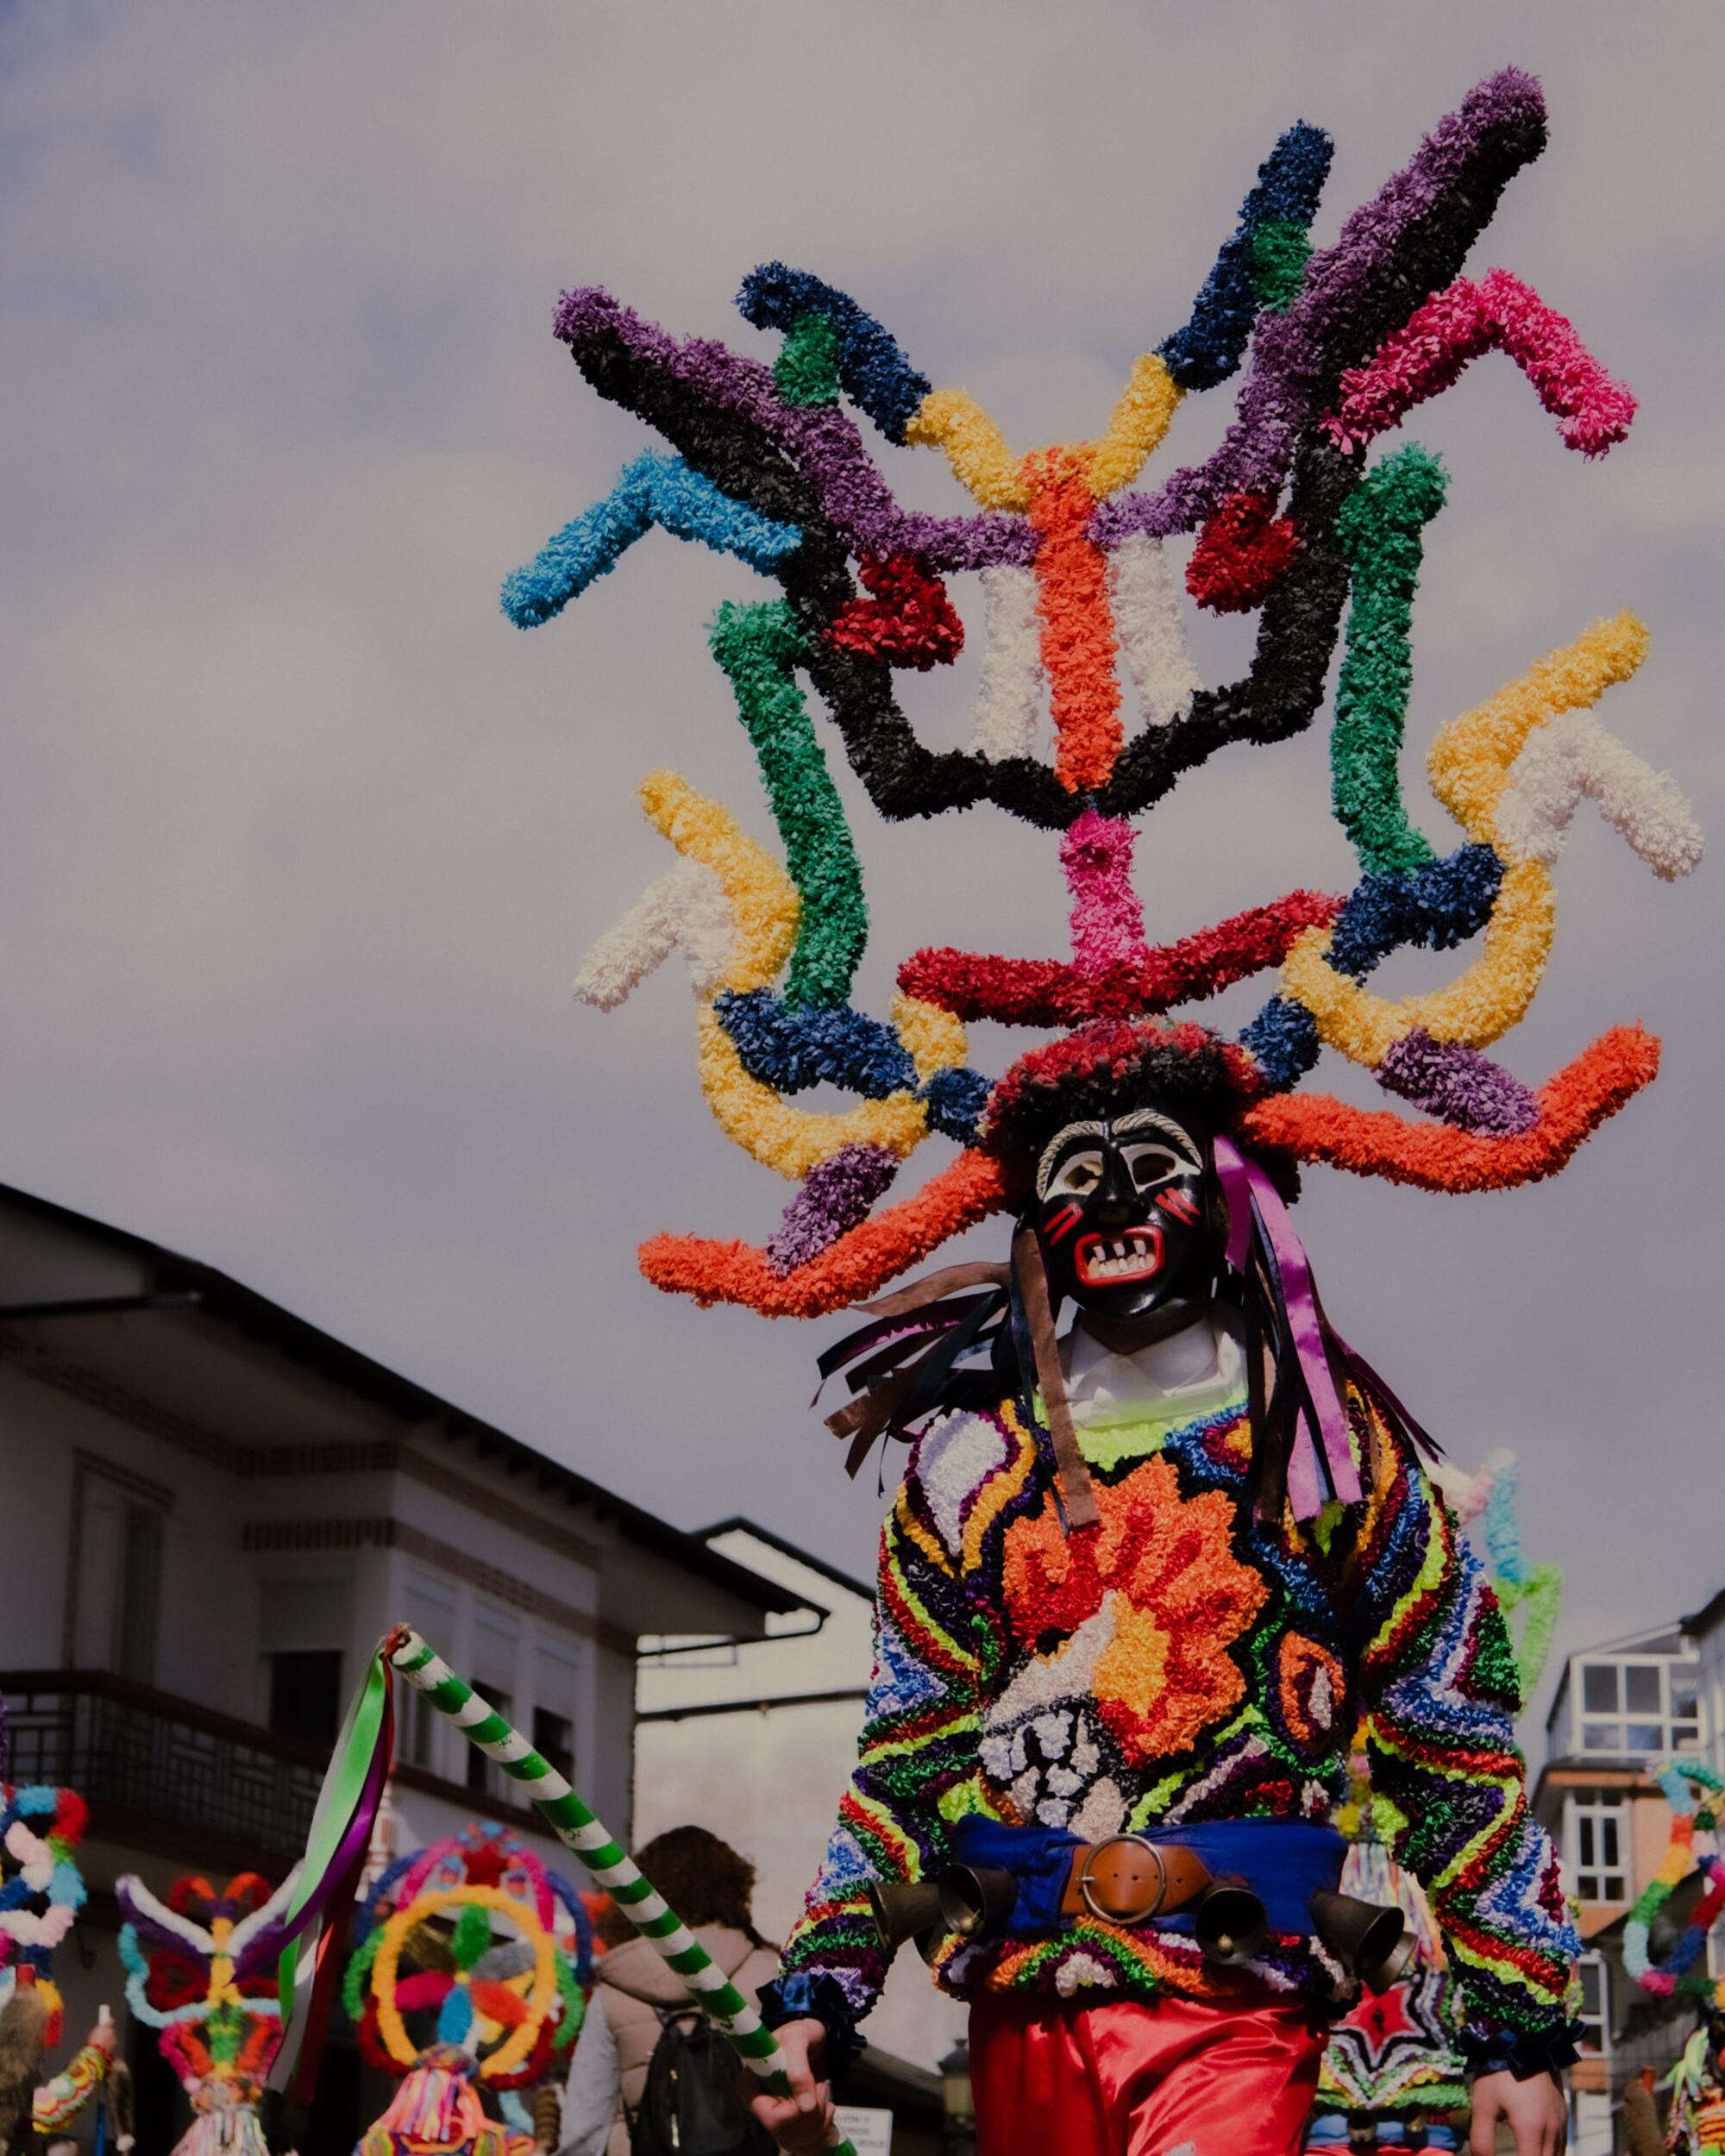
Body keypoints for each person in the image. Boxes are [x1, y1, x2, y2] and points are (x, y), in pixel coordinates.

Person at [743, 1031, 1578, 2156]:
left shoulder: (1328, 1443)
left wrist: (1519, 2029)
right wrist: (818, 1995)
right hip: (1023, 2008)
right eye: (1076, 1174)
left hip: (1236, 1999)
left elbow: (1448, 1743)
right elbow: (907, 1765)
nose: (1116, 1198)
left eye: (1152, 1160)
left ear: (1233, 1189)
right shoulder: (964, 1462)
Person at [559, 1827, 779, 2156]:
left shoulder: (616, 1987)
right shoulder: (770, 1973)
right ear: (733, 1889)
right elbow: (806, 2096)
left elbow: (584, 2126)